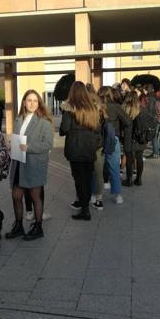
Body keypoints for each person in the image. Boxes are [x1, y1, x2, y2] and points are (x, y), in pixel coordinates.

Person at [5, 90, 53, 241]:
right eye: (29, 100)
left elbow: (48, 144)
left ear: (39, 103)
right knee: (16, 195)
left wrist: (29, 147)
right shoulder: (19, 119)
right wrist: (12, 145)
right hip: (19, 163)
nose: (32, 103)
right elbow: (17, 139)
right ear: (24, 102)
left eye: (35, 101)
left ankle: (38, 227)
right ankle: (19, 225)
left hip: (34, 164)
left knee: (35, 197)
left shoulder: (44, 121)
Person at [60, 81, 100, 221]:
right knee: (87, 178)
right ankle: (86, 208)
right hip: (89, 147)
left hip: (75, 148)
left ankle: (84, 210)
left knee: (79, 179)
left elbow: (64, 128)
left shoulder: (69, 109)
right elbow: (98, 129)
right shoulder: (93, 109)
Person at [97, 86, 130, 207]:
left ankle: (93, 195)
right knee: (115, 168)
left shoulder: (95, 107)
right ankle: (118, 196)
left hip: (97, 140)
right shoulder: (116, 107)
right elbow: (128, 121)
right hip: (113, 139)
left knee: (95, 169)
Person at [122, 92, 147, 186]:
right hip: (140, 136)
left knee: (129, 158)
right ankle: (139, 179)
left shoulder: (124, 108)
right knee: (139, 157)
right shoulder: (142, 108)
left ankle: (129, 180)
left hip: (128, 135)